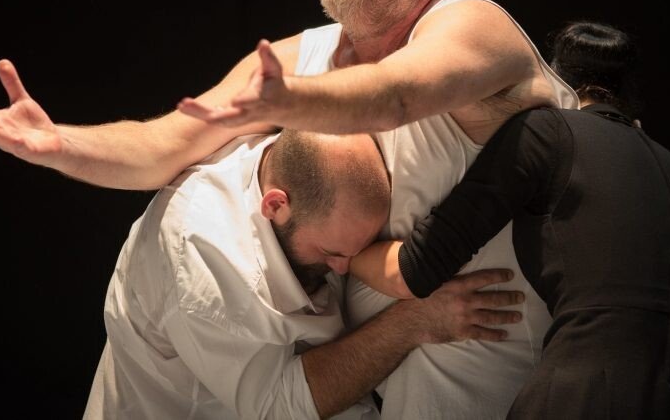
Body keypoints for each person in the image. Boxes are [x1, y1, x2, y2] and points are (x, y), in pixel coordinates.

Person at [0, 0, 579, 417]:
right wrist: (59, 145)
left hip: (498, 364)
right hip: (383, 379)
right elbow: (163, 147)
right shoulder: (301, 58)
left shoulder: (471, 24)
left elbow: (396, 94)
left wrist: (292, 99)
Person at [349, 21, 670, 419]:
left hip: (586, 396)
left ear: (553, 79)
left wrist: (343, 257)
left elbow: (414, 270)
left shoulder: (547, 133)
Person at [86, 128, 524, 419]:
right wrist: (415, 321)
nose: (345, 268)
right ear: (276, 205)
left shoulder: (294, 170)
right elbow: (276, 407)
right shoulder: (203, 260)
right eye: (332, 253)